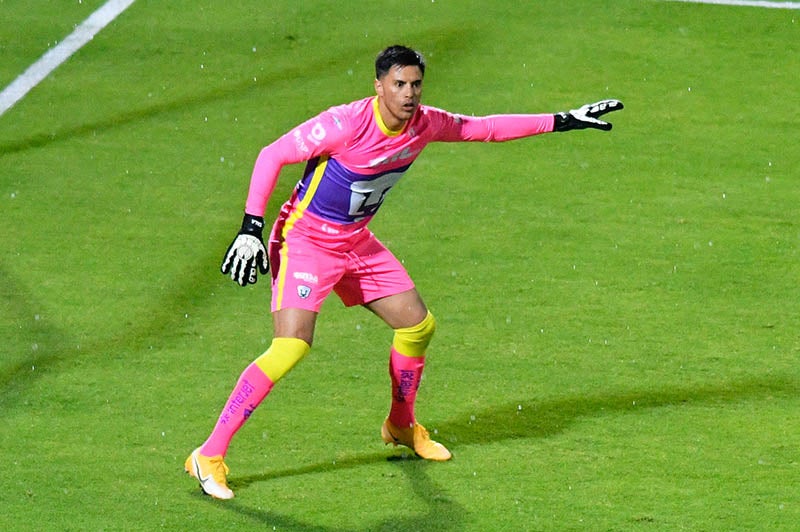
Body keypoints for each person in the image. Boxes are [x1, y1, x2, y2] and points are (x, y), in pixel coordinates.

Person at [185, 44, 623, 499]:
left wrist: (562, 119)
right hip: (306, 242)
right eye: (399, 84)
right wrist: (250, 227)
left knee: (417, 325)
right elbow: (270, 155)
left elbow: (485, 128)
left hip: (355, 242)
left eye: (415, 84)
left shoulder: (425, 123)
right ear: (379, 86)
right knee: (291, 345)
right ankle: (209, 454)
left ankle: (399, 425)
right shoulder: (344, 124)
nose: (409, 94)